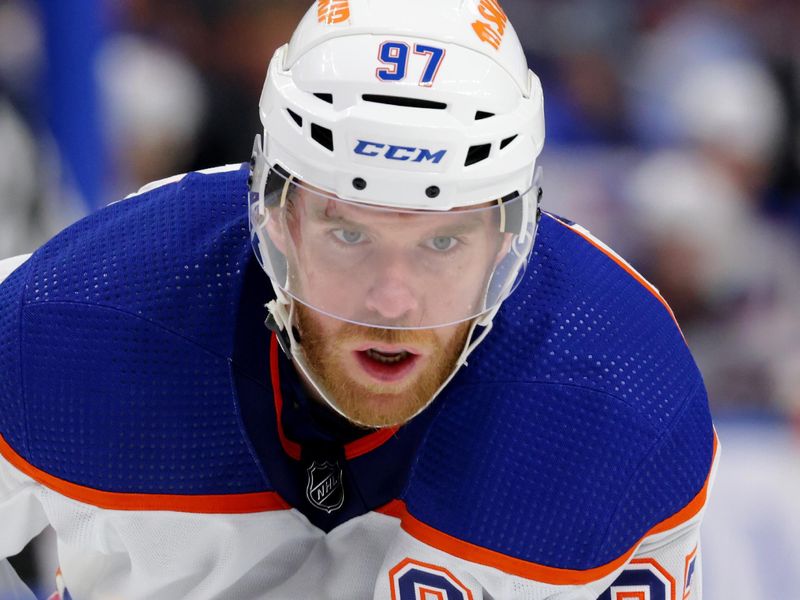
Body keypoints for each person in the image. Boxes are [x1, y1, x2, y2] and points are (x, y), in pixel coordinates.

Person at [0, 1, 717, 598]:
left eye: (442, 243)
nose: (392, 301)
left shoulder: (615, 395)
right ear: (277, 220)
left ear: (507, 243)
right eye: (349, 234)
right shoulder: (85, 312)